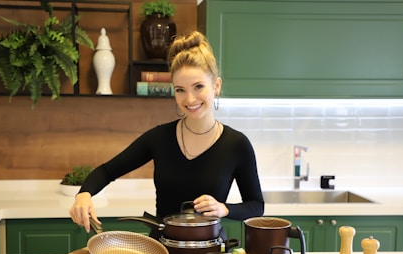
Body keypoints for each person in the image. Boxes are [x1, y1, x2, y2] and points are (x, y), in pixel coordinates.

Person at [69, 31, 264, 236]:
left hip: (209, 251)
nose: (189, 99)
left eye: (198, 87)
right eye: (180, 90)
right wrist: (84, 194)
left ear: (216, 86)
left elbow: (256, 205)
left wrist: (225, 208)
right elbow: (107, 172)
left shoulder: (236, 144)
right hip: (163, 250)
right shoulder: (159, 138)